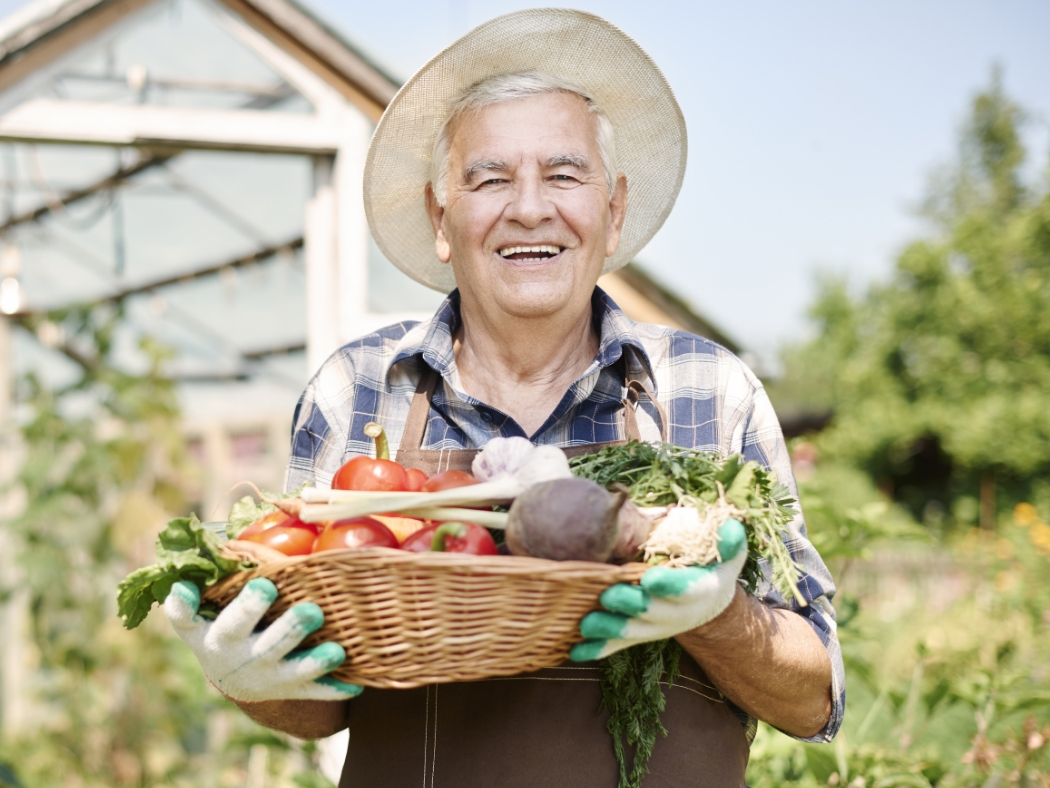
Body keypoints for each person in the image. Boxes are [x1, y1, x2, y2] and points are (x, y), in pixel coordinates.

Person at [163, 9, 843, 786]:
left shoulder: (708, 391)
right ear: (440, 217)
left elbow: (814, 697)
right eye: (490, 178)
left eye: (563, 175)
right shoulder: (358, 390)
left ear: (612, 212)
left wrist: (719, 617)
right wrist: (250, 679)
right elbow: (322, 703)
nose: (528, 207)